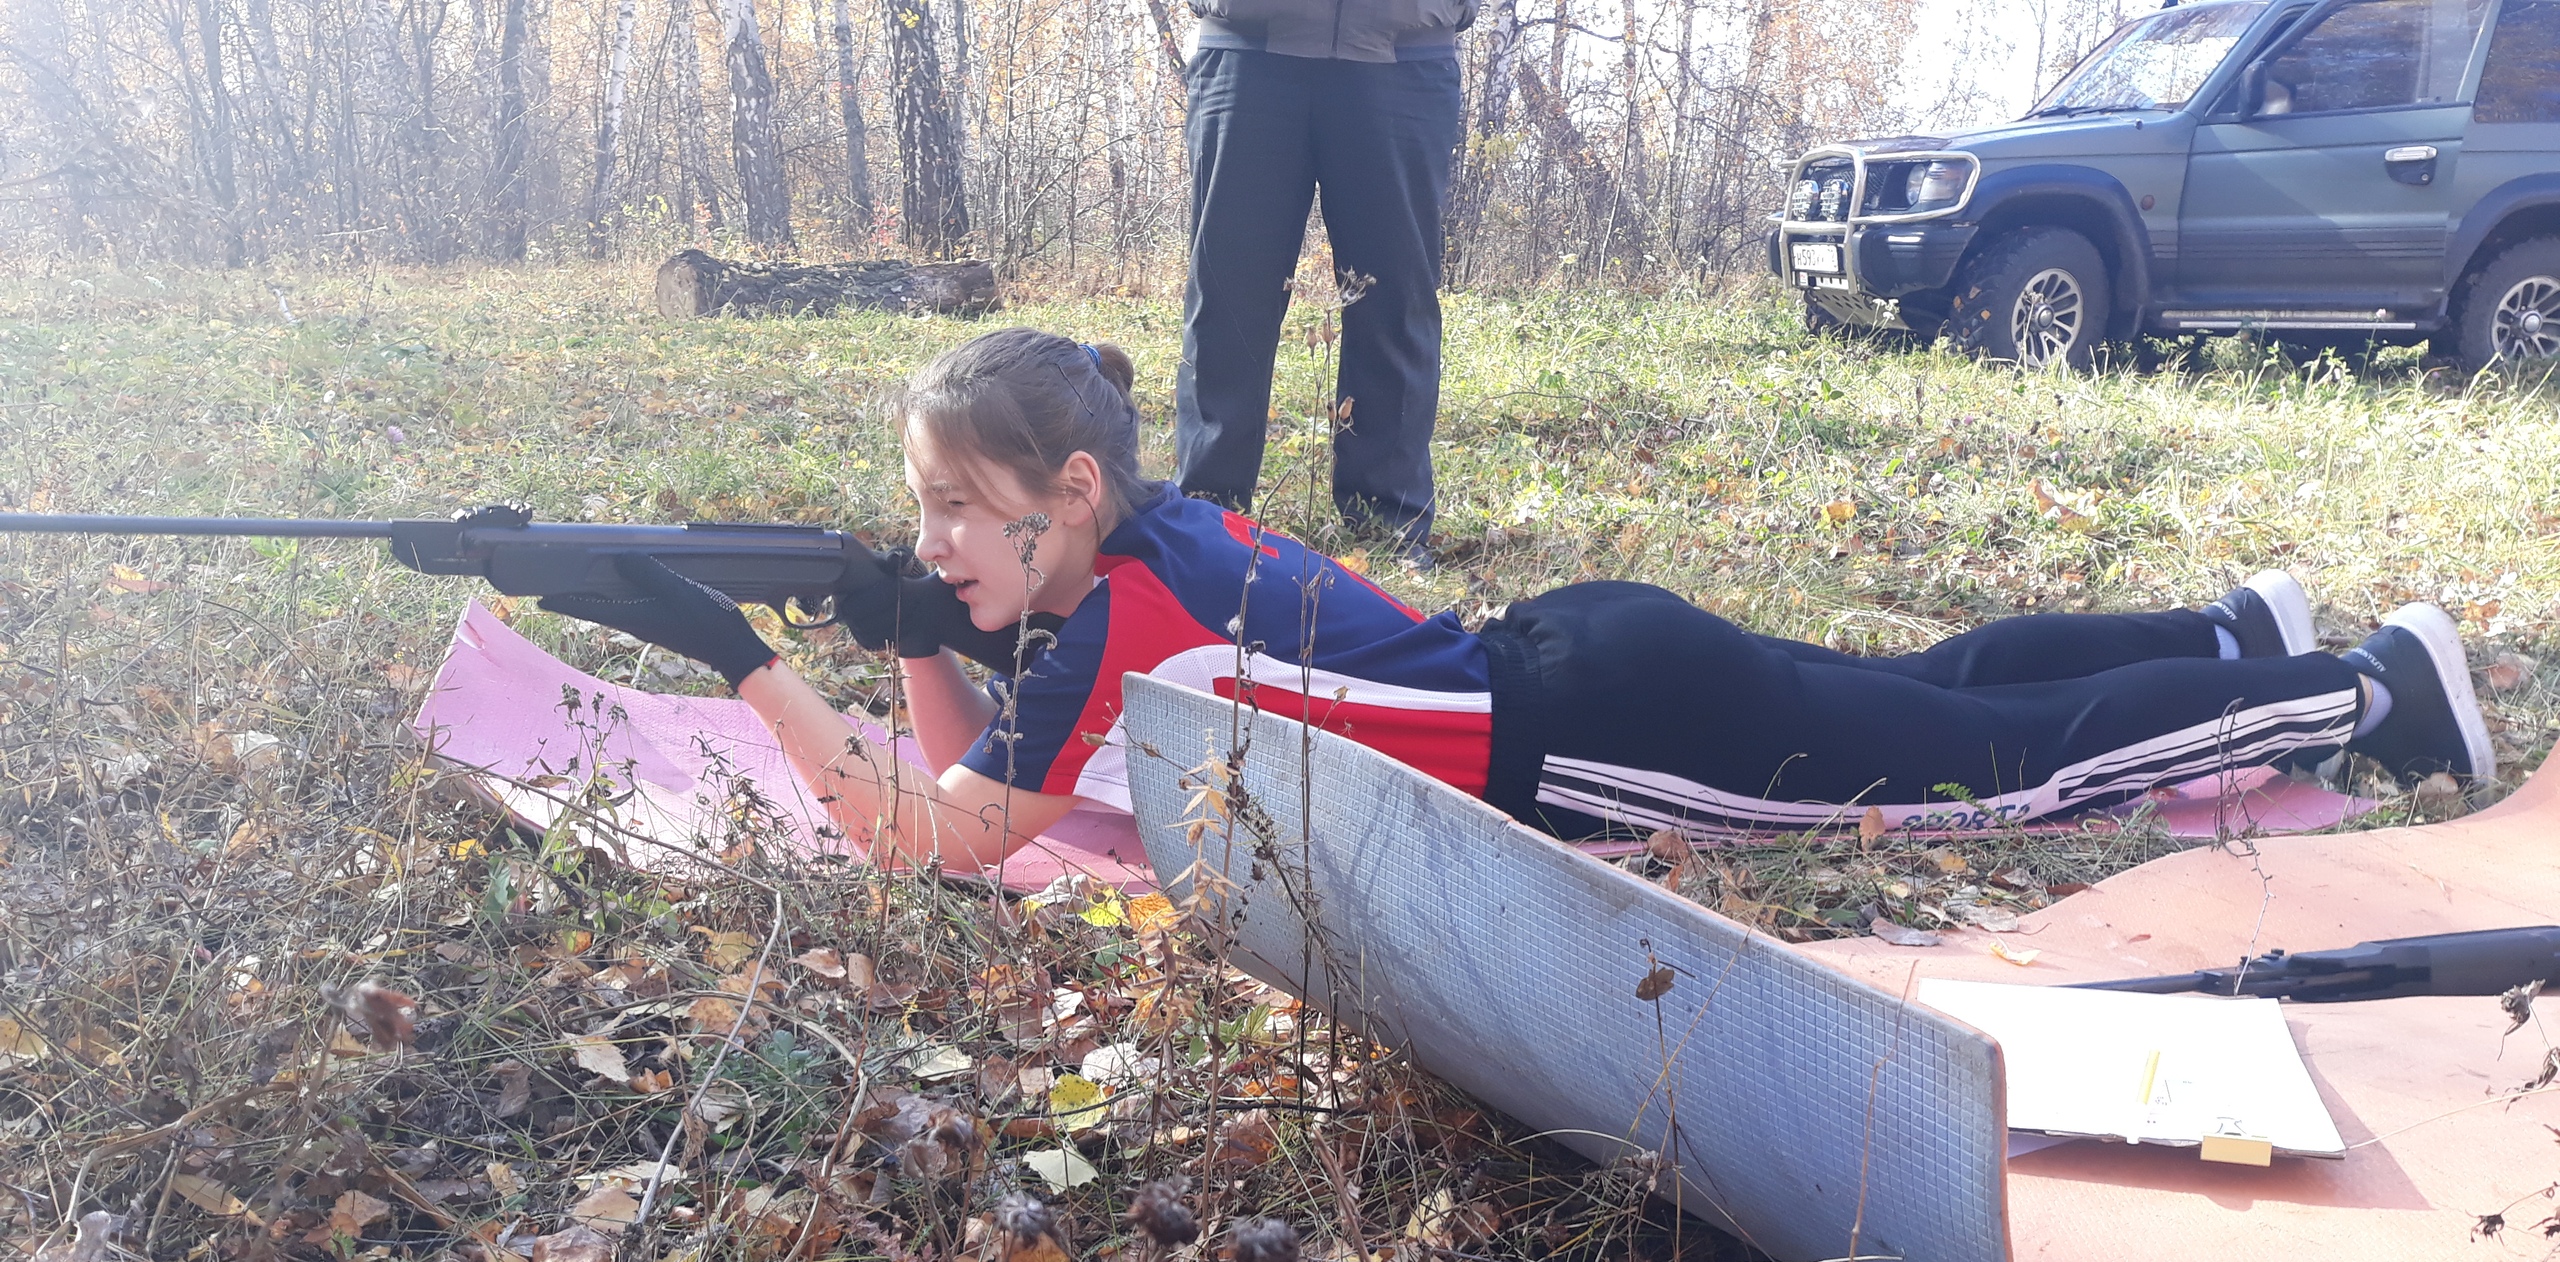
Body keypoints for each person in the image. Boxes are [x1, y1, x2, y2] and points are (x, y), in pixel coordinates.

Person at [539, 328, 2495, 873]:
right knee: (1930, 683)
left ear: (1066, 495)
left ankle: (2365, 692)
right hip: (1588, 646)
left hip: (1603, 738)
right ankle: (2227, 636)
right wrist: (912, 630)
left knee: (1995, 775)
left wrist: (739, 659)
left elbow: (946, 837)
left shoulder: (1113, 621)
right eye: (919, 514)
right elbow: (984, 760)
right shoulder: (1154, 544)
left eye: (962, 514)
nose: (941, 543)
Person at [1174, 0, 1473, 558]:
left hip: (1404, 53)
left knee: (1394, 302)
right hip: (1246, 46)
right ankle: (1206, 519)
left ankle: (1387, 526)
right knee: (1227, 298)